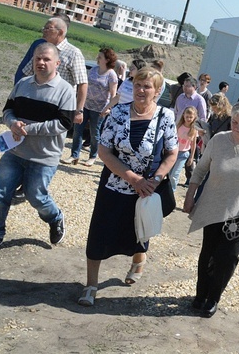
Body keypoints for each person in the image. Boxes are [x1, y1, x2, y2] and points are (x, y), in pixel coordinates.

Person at [79, 66, 177, 306]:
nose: (141, 90)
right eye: (137, 85)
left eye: (147, 86)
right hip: (114, 185)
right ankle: (91, 286)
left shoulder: (166, 116)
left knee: (138, 231)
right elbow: (104, 150)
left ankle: (138, 260)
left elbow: (172, 153)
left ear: (157, 91)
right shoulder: (118, 113)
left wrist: (155, 180)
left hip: (145, 190)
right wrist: (132, 178)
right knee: (99, 234)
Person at [183, 100, 239, 318]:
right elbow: (200, 170)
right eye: (234, 122)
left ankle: (214, 297)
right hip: (214, 205)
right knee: (208, 254)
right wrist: (190, 195)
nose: (237, 127)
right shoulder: (218, 140)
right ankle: (201, 294)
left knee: (228, 256)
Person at [0, 43, 74, 249]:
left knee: (36, 196)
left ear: (57, 63)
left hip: (43, 157)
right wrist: (12, 123)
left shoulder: (65, 91)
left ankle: (55, 217)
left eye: (46, 59)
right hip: (15, 152)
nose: (41, 62)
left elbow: (64, 123)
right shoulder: (22, 84)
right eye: (38, 58)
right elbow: (7, 110)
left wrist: (30, 129)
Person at [21, 16, 88, 131]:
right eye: (44, 28)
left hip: (59, 106)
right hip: (36, 100)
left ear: (60, 32)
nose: (44, 30)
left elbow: (82, 83)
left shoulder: (73, 53)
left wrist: (79, 110)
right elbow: (26, 74)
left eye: (48, 28)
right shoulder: (42, 49)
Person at [65, 48, 118, 166]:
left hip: (100, 109)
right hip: (85, 105)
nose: (97, 58)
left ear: (107, 60)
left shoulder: (111, 75)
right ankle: (74, 155)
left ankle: (93, 156)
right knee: (77, 131)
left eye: (100, 57)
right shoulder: (93, 70)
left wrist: (108, 108)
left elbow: (113, 95)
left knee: (94, 133)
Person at [169, 106, 198, 190]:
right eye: (187, 116)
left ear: (194, 117)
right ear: (183, 116)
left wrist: (191, 157)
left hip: (183, 154)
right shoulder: (179, 126)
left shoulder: (194, 129)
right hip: (174, 151)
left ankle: (172, 190)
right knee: (169, 173)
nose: (188, 119)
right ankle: (167, 190)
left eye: (191, 117)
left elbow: (193, 144)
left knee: (175, 174)